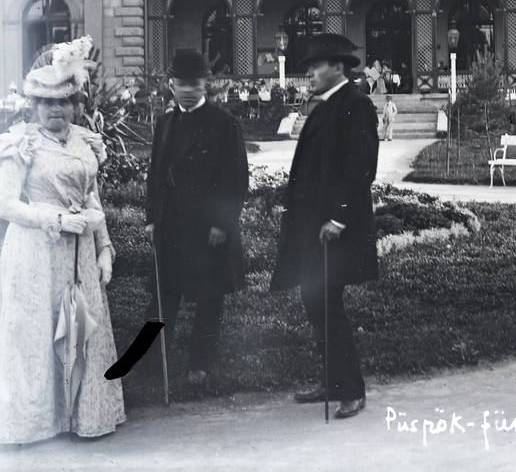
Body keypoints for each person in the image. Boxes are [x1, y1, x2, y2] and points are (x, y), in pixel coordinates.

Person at [0, 36, 125, 443]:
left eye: (64, 102)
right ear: (33, 107)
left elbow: (90, 195)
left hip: (80, 254)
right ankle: (39, 424)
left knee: (79, 331)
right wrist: (54, 219)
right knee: (38, 333)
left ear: (75, 104)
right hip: (36, 252)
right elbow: (6, 204)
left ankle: (81, 417)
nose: (56, 110)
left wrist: (104, 247)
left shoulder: (84, 141)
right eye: (47, 103)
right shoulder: (22, 143)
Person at [271, 33, 380, 419]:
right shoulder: (323, 107)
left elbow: (361, 167)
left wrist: (338, 217)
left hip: (335, 227)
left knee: (328, 307)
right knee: (315, 303)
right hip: (312, 225)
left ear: (338, 67)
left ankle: (352, 390)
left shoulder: (357, 105)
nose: (310, 74)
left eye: (316, 67)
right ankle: (333, 382)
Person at [144, 50, 249, 385]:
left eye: (194, 83)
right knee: (163, 297)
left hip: (208, 229)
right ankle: (151, 364)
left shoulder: (223, 122)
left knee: (208, 297)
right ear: (170, 85)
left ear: (206, 83)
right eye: (180, 84)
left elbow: (236, 178)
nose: (187, 90)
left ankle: (200, 364)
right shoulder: (165, 122)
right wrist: (151, 218)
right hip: (171, 226)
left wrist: (223, 223)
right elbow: (155, 175)